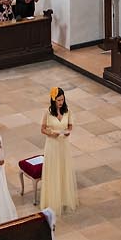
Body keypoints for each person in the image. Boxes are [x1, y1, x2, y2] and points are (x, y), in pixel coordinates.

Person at [39, 87, 78, 217]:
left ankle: (64, 197)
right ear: (53, 100)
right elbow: (43, 129)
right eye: (58, 100)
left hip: (63, 145)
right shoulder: (48, 112)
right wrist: (51, 133)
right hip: (52, 144)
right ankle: (52, 199)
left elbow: (70, 125)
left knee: (63, 168)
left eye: (62, 99)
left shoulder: (68, 111)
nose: (61, 102)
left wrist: (68, 132)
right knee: (54, 169)